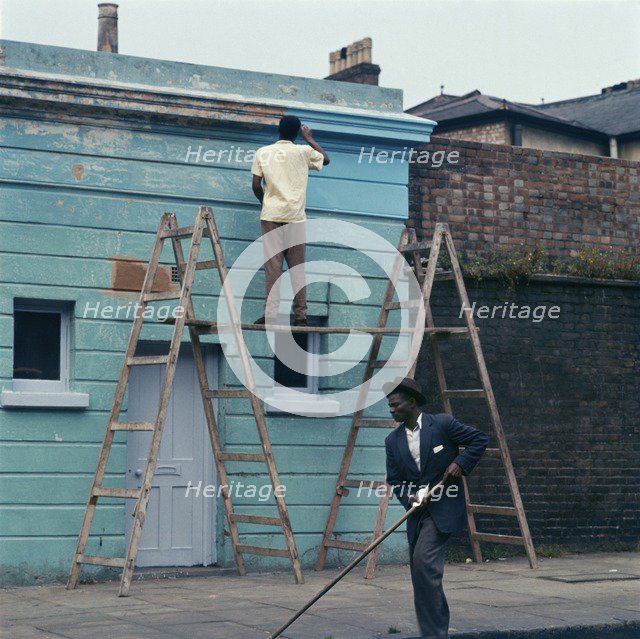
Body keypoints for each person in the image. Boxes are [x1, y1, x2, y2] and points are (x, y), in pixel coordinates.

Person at [383, 377, 489, 639]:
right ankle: (432, 631)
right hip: (417, 514)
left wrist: (460, 463)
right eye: (390, 406)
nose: (391, 410)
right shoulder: (392, 440)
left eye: (396, 405)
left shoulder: (442, 424)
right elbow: (395, 480)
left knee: (423, 564)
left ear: (412, 402)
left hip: (443, 509)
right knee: (420, 574)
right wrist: (410, 498)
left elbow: (479, 439)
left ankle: (435, 634)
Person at [250, 115, 330, 326]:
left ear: (279, 130)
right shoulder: (303, 151)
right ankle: (301, 316)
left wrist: (265, 202)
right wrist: (310, 139)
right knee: (297, 268)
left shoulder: (263, 152)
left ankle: (271, 315)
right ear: (297, 133)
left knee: (273, 268)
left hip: (271, 215)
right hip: (295, 216)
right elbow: (326, 159)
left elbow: (256, 185)